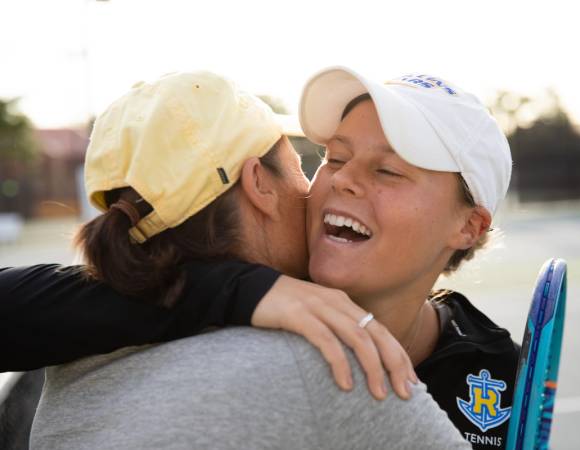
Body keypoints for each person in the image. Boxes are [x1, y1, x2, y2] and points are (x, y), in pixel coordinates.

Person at [4, 67, 519, 449]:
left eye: (388, 171)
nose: (339, 178)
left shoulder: (492, 365)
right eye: (330, 159)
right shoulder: (325, 365)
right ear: (257, 186)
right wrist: (243, 288)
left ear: (469, 225)